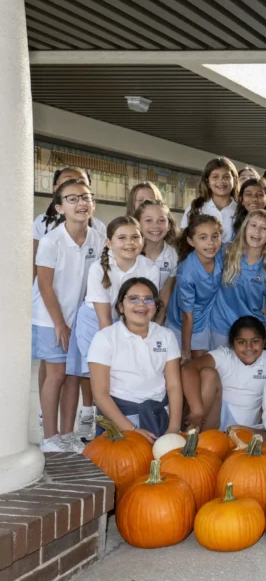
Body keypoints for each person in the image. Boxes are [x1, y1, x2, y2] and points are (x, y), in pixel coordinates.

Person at [67, 216, 161, 437]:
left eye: (135, 237)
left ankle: (127, 424)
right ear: (109, 243)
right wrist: (117, 349)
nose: (129, 243)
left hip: (130, 320)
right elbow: (104, 321)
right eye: (122, 238)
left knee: (124, 374)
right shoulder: (98, 269)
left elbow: (146, 306)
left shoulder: (149, 267)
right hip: (97, 322)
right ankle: (100, 425)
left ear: (142, 241)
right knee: (102, 375)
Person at [32, 179, 105, 452]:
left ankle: (67, 434)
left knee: (74, 375)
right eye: (72, 199)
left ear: (93, 204)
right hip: (50, 317)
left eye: (86, 197)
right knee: (57, 374)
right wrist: (60, 323)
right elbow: (44, 285)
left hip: (80, 318)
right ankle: (49, 437)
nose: (80, 203)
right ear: (60, 207)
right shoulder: (51, 241)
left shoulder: (98, 239)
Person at [87, 277, 183, 441]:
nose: (141, 304)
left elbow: (174, 386)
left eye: (148, 299)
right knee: (126, 463)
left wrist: (173, 427)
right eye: (133, 299)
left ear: (156, 306)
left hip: (160, 415)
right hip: (121, 418)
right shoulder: (105, 338)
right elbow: (100, 394)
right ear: (120, 307)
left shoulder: (166, 336)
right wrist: (132, 429)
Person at [180, 315, 266, 431]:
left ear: (264, 342)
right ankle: (191, 436)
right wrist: (197, 410)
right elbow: (187, 369)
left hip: (246, 428)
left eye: (255, 341)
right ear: (232, 343)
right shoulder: (224, 356)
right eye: (241, 342)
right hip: (213, 422)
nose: (248, 347)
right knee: (208, 374)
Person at [208, 210, 266, 349]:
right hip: (221, 325)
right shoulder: (227, 251)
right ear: (245, 229)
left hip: (250, 330)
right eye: (253, 225)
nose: (257, 231)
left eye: (264, 228)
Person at [167, 215, 223, 363]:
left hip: (206, 318)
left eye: (215, 236)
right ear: (191, 241)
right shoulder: (187, 273)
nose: (210, 243)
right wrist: (185, 352)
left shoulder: (222, 255)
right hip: (182, 323)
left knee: (203, 363)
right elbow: (187, 316)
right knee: (185, 364)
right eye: (203, 238)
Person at [135, 199, 179, 324]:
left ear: (169, 225)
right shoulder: (131, 252)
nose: (156, 225)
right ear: (138, 224)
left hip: (154, 318)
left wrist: (157, 324)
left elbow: (165, 295)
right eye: (148, 220)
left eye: (161, 220)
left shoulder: (172, 256)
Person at [180, 157, 239, 242]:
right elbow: (183, 241)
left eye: (226, 177)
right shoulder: (195, 208)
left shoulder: (241, 210)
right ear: (207, 182)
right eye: (215, 177)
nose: (221, 181)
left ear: (235, 180)